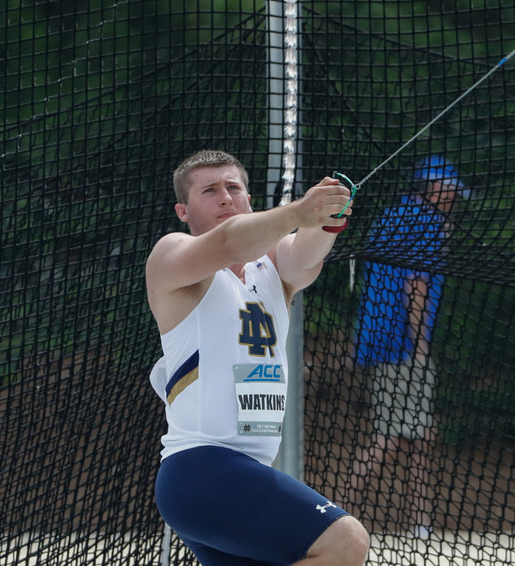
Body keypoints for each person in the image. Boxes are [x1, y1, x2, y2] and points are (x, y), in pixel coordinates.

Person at [146, 150, 369, 566]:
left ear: (249, 198)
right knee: (345, 542)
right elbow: (230, 241)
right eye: (209, 191)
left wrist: (327, 216)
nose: (225, 198)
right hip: (200, 468)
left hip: (243, 472)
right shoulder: (172, 254)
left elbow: (307, 255)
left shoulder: (272, 268)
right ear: (183, 210)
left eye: (233, 188)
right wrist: (299, 211)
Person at [348, 155, 467, 540]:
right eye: (449, 192)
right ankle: (329, 513)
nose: (454, 200)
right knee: (394, 437)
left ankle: (421, 522)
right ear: (434, 189)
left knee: (418, 436)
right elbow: (415, 285)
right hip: (401, 345)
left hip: (380, 340)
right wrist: (420, 344)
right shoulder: (425, 221)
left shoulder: (394, 215)